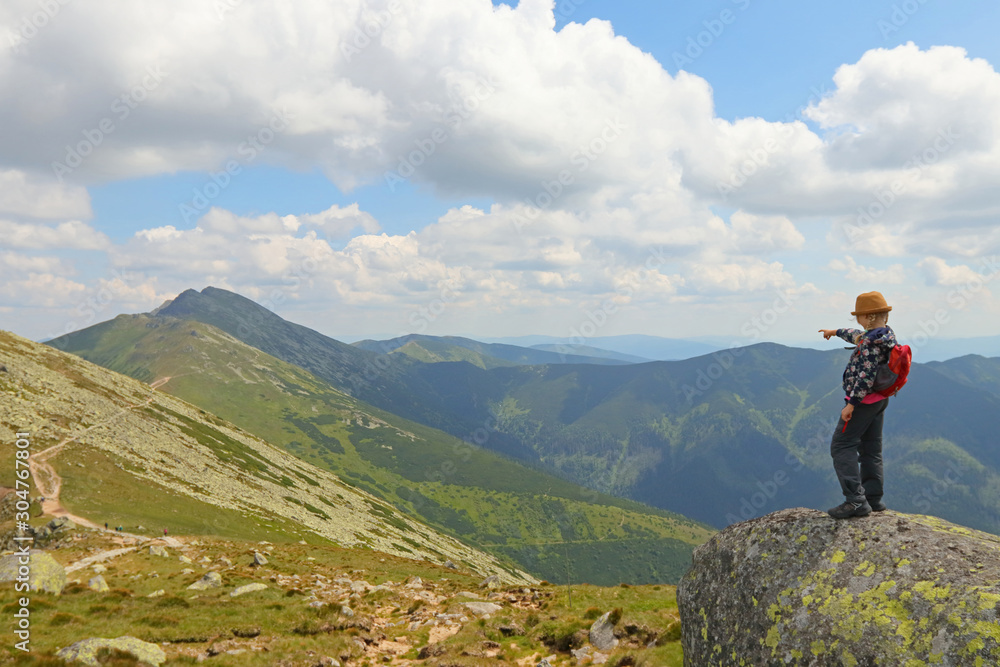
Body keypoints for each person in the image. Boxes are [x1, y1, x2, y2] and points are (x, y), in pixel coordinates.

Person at [819, 291, 896, 519]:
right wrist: (836, 332)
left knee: (841, 445)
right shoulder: (885, 335)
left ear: (869, 317)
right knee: (871, 449)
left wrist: (851, 404)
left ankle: (855, 501)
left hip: (862, 402)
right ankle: (873, 499)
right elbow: (856, 335)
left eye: (860, 317)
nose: (858, 322)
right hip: (879, 401)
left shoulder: (870, 343)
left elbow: (866, 376)